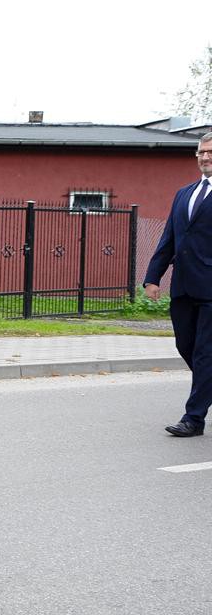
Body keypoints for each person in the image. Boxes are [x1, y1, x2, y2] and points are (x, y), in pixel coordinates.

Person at [144, 132, 212, 438]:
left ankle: (193, 418)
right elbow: (169, 237)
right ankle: (205, 388)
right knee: (185, 345)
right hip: (184, 285)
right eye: (201, 152)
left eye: (210, 152)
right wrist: (152, 277)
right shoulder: (184, 193)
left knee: (205, 353)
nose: (205, 157)